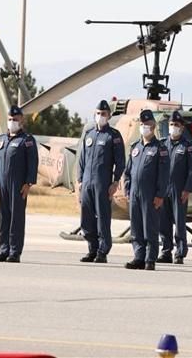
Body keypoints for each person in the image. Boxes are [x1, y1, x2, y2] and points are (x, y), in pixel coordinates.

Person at [77, 100, 126, 264]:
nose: (100, 116)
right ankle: (92, 249)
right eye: (98, 113)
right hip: (87, 183)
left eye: (103, 114)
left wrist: (115, 181)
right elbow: (82, 159)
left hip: (102, 182)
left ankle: (103, 251)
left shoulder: (113, 136)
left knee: (103, 218)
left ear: (109, 115)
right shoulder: (89, 134)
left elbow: (120, 161)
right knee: (86, 218)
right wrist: (79, 180)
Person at [0, 105, 38, 263]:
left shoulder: (27, 140)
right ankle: (3, 250)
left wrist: (28, 183)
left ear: (22, 120)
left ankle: (15, 252)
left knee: (16, 219)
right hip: (2, 184)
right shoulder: (1, 140)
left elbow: (32, 163)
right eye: (10, 119)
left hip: (18, 185)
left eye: (15, 119)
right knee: (3, 218)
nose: (12, 122)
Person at [124, 109, 169, 270]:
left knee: (150, 227)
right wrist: (128, 191)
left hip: (151, 195)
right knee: (136, 227)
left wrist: (160, 195)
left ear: (154, 125)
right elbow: (128, 172)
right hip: (135, 194)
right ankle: (139, 257)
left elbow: (164, 175)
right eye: (142, 124)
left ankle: (150, 259)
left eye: (148, 124)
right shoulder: (135, 147)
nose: (145, 127)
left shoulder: (160, 149)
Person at [158, 111, 192, 265]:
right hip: (163, 189)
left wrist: (187, 189)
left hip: (179, 189)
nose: (173, 127)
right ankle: (166, 251)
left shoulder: (188, 146)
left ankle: (180, 253)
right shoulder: (162, 144)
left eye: (177, 125)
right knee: (163, 221)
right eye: (171, 124)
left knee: (179, 222)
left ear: (182, 128)